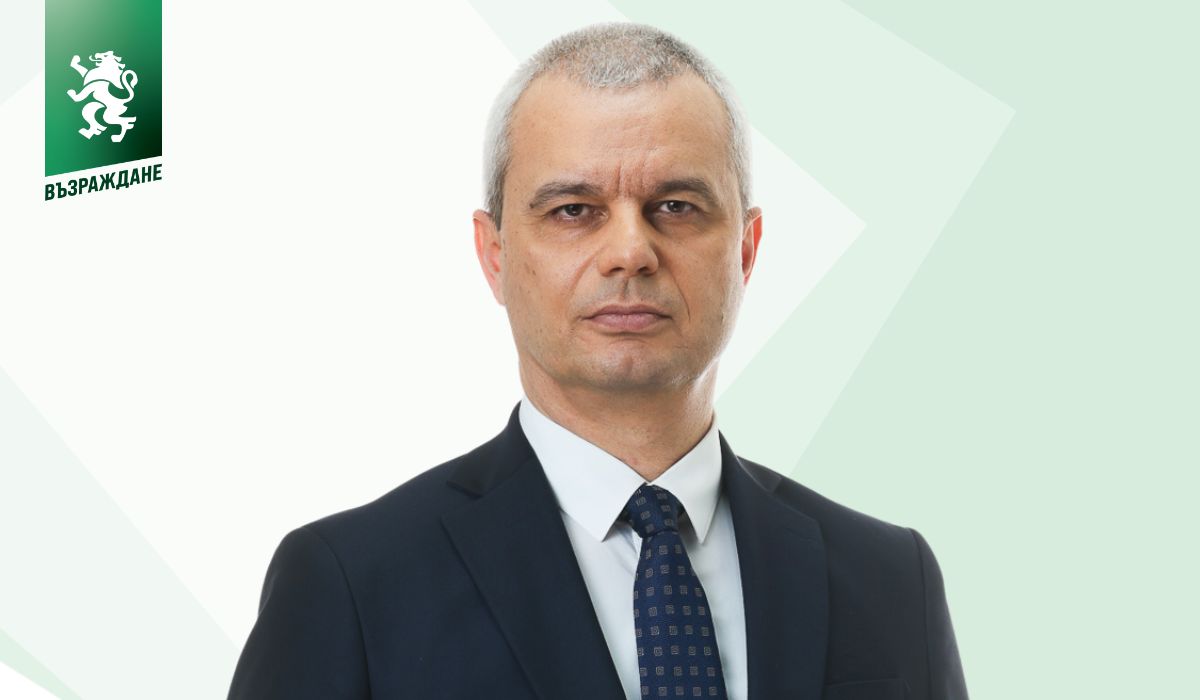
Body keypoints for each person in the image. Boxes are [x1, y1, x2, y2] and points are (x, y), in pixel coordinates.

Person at [227, 22, 969, 700]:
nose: (630, 252)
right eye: (573, 211)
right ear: (494, 254)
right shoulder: (351, 586)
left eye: (675, 206)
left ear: (745, 250)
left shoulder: (889, 578)